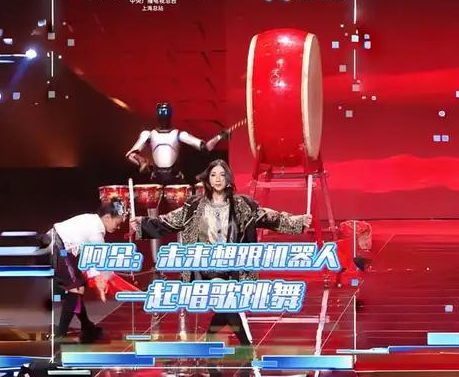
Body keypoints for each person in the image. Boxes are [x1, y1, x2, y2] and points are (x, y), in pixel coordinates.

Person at [130, 159, 311, 373]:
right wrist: (141, 224)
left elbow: (270, 217)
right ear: (208, 179)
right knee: (226, 302)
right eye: (213, 175)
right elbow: (169, 221)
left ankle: (213, 341)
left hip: (233, 267)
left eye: (222, 175)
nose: (217, 179)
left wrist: (298, 221)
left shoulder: (242, 205)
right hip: (205, 268)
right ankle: (245, 347)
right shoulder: (194, 206)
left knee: (225, 304)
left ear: (228, 179)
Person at [43, 198, 126, 343]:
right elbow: (100, 259)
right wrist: (104, 280)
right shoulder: (96, 229)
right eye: (117, 223)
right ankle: (60, 334)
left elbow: (91, 259)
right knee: (76, 289)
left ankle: (87, 327)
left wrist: (98, 277)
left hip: (56, 247)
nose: (118, 227)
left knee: (78, 286)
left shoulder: (92, 221)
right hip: (56, 247)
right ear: (107, 217)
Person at [126, 101, 228, 185]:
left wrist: (218, 137)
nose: (164, 115)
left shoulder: (178, 134)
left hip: (175, 178)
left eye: (166, 112)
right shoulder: (149, 134)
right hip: (157, 177)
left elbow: (205, 147)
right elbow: (131, 154)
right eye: (162, 112)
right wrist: (141, 161)